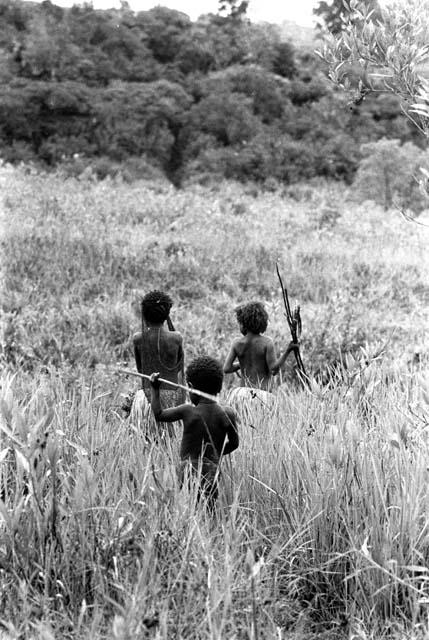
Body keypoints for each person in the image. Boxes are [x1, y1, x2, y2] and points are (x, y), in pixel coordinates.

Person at [150, 355, 239, 509]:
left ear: (190, 386)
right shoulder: (228, 413)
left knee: (187, 510)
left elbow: (159, 415)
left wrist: (155, 389)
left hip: (187, 469)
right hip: (212, 471)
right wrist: (216, 453)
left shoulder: (187, 411)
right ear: (219, 387)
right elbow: (234, 443)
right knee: (209, 510)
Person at [130, 290, 184, 437]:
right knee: (170, 444)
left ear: (145, 315)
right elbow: (178, 368)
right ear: (166, 315)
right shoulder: (176, 338)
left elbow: (141, 370)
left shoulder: (138, 338)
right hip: (170, 400)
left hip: (145, 399)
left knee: (143, 442)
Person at [223, 301, 297, 406]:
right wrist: (288, 350)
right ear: (262, 322)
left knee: (241, 422)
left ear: (244, 323)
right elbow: (274, 370)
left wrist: (242, 364)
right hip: (262, 397)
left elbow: (226, 368)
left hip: (241, 394)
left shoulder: (237, 343)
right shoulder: (267, 342)